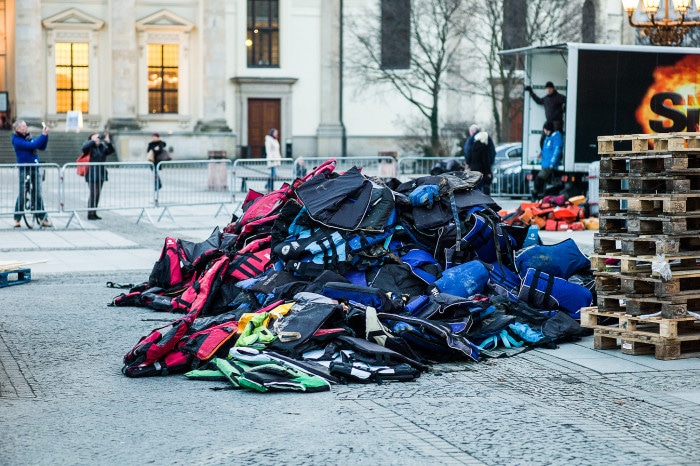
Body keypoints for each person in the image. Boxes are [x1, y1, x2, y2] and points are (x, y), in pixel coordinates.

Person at [12, 120, 51, 228]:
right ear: (18, 129)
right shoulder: (16, 140)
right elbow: (33, 145)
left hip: (34, 166)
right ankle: (17, 218)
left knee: (37, 193)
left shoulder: (29, 137)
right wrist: (43, 135)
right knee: (22, 193)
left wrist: (45, 136)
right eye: (24, 126)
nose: (26, 128)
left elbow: (41, 146)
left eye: (26, 126)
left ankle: (42, 217)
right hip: (24, 168)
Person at [81, 132, 115, 220]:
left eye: (98, 138)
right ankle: (90, 213)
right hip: (92, 173)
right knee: (93, 193)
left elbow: (111, 151)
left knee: (97, 194)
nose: (98, 139)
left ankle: (94, 212)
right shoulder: (89, 147)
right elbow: (84, 148)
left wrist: (108, 141)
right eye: (95, 137)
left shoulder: (102, 147)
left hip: (101, 173)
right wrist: (93, 141)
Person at [524, 81, 566, 148]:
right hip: (549, 122)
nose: (548, 90)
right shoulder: (546, 99)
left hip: (557, 122)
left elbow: (568, 100)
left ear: (553, 89)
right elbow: (538, 101)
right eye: (547, 88)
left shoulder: (559, 97)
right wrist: (531, 92)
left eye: (550, 88)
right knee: (543, 140)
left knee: (557, 141)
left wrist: (564, 109)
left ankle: (557, 157)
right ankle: (544, 154)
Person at [532, 121, 563, 201]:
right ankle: (541, 197)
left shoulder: (556, 136)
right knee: (542, 182)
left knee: (539, 179)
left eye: (545, 129)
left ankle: (535, 195)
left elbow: (557, 150)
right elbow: (545, 149)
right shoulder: (547, 138)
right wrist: (541, 153)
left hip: (549, 165)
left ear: (547, 129)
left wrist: (552, 163)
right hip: (545, 164)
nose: (544, 131)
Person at [467, 130, 494, 195]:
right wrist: (488, 172)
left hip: (473, 170)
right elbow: (485, 161)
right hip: (482, 171)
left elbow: (469, 158)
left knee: (475, 188)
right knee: (483, 188)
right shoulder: (484, 147)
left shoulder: (473, 146)